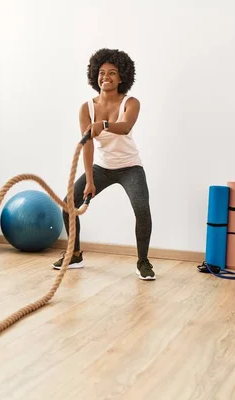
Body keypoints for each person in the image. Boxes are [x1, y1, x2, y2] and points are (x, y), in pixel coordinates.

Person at [52, 48, 155, 280]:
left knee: (142, 210)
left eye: (112, 73)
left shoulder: (131, 102)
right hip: (102, 168)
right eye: (101, 72)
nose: (105, 77)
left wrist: (104, 125)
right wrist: (89, 180)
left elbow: (126, 126)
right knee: (69, 204)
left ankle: (143, 261)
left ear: (121, 77)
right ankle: (75, 254)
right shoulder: (86, 108)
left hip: (130, 167)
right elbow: (87, 145)